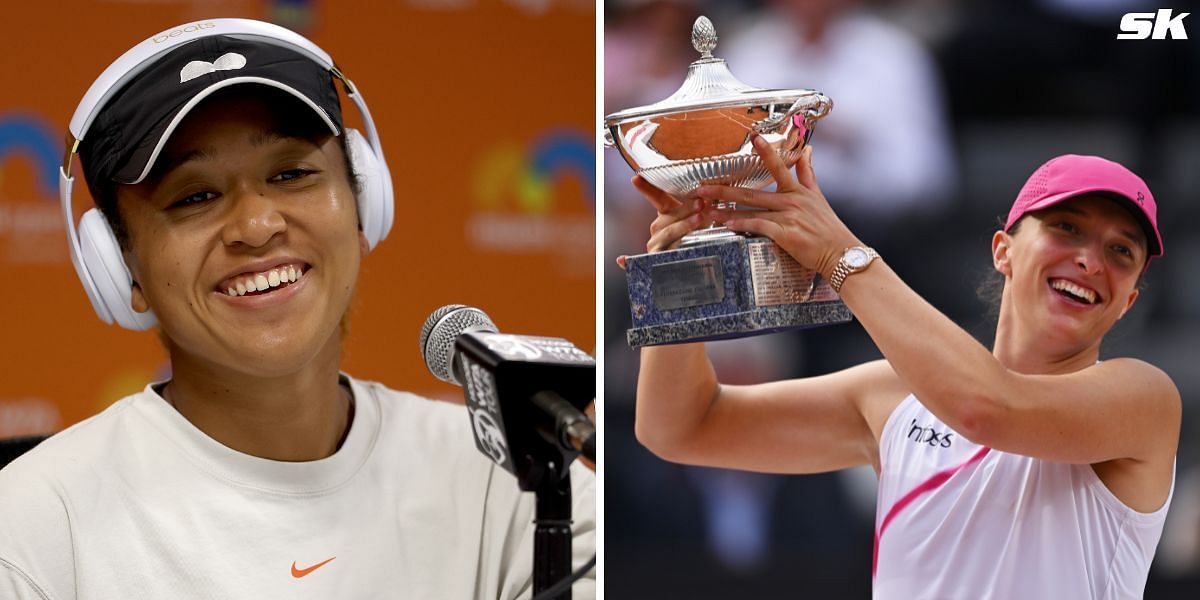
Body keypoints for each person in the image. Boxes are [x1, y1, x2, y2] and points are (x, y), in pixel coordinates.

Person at [0, 19, 594, 599]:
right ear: (118, 266)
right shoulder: (36, 526)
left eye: (291, 173)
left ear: (366, 206)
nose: (257, 226)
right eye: (196, 196)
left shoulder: (515, 481)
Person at [629, 137, 1178, 598]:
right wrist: (681, 278)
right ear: (1003, 250)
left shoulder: (1143, 399)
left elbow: (987, 409)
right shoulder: (895, 396)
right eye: (1067, 228)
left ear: (1129, 299)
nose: (1090, 260)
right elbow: (681, 425)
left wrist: (840, 254)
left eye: (1121, 253)